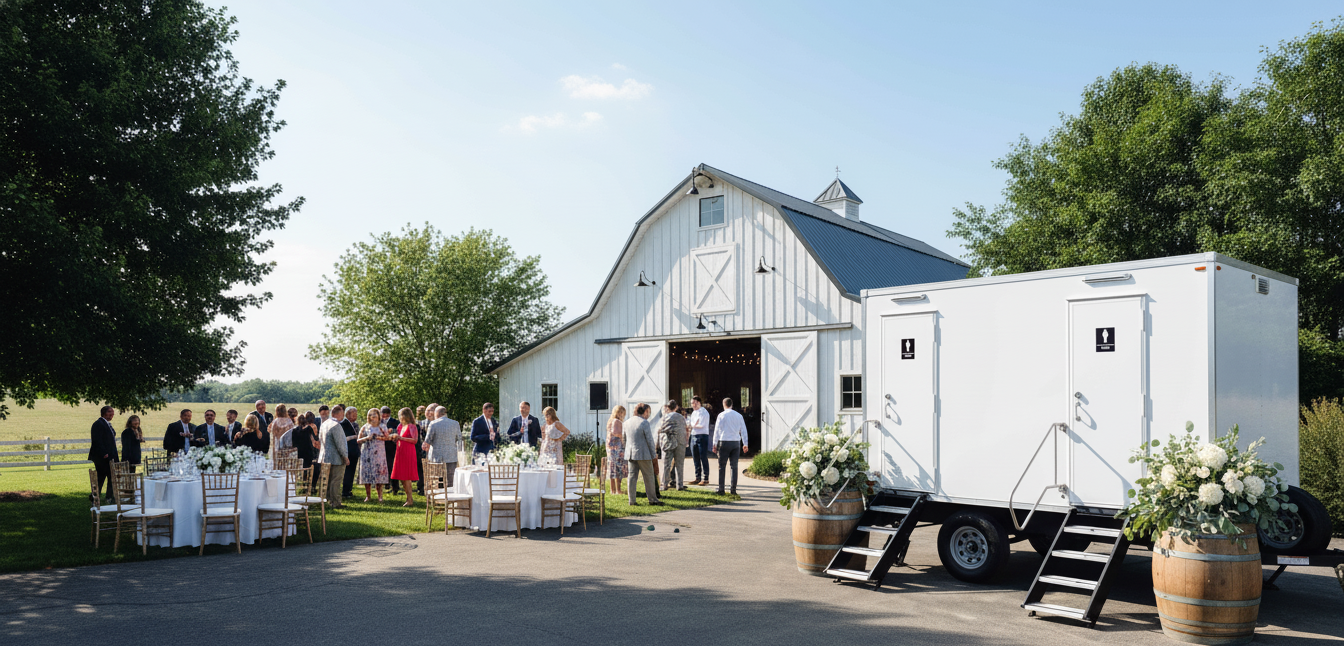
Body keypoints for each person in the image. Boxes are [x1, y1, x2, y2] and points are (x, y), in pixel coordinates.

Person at [624, 403, 661, 505]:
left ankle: (632, 500)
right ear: (644, 411)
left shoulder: (627, 422)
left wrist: (627, 451)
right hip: (643, 453)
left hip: (630, 453)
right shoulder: (644, 423)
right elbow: (649, 440)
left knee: (632, 477)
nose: (649, 414)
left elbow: (624, 439)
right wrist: (654, 455)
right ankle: (652, 499)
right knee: (649, 476)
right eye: (648, 411)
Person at [713, 397, 748, 495]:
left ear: (724, 404)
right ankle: (733, 490)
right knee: (734, 466)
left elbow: (717, 431)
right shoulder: (739, 416)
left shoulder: (721, 415)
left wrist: (714, 444)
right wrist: (745, 444)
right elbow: (743, 430)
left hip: (724, 441)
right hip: (736, 442)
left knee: (722, 466)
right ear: (731, 404)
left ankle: (721, 489)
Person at [318, 404, 348, 509]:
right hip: (336, 458)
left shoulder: (324, 424)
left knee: (328, 480)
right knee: (336, 480)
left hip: (324, 456)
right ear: (339, 414)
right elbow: (340, 443)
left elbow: (320, 439)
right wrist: (345, 456)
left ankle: (327, 500)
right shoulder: (336, 425)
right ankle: (336, 502)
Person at [358, 408, 390, 502]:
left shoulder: (383, 426)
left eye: (375, 415)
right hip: (367, 452)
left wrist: (379, 437)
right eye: (371, 415)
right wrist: (367, 438)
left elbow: (387, 438)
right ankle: (368, 495)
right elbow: (358, 440)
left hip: (379, 452)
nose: (373, 417)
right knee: (367, 472)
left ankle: (380, 496)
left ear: (378, 416)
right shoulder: (365, 427)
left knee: (379, 473)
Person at [88, 406, 118, 503]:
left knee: (111, 476)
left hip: (110, 456)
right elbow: (97, 440)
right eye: (110, 412)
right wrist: (104, 453)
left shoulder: (108, 424)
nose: (112, 414)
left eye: (113, 413)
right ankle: (94, 497)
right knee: (101, 477)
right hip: (102, 457)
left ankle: (109, 497)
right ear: (104, 413)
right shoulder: (98, 424)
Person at [423, 405, 462, 482]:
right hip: (451, 456)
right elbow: (459, 439)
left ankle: (441, 493)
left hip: (437, 457)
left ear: (437, 413)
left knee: (439, 480)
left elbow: (428, 440)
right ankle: (451, 493)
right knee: (451, 479)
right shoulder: (455, 423)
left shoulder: (433, 424)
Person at [389, 407, 419, 507]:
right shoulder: (400, 426)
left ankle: (410, 499)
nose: (399, 417)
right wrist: (394, 438)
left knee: (406, 476)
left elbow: (414, 440)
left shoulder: (412, 426)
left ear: (406, 416)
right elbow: (400, 438)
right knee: (401, 476)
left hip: (408, 451)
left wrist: (401, 438)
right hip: (400, 451)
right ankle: (408, 497)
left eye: (401, 415)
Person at [658, 400, 688, 491]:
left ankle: (664, 484)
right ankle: (680, 485)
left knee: (666, 464)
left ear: (667, 407)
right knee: (680, 465)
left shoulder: (665, 417)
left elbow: (661, 429)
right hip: (680, 443)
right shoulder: (681, 417)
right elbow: (685, 429)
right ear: (676, 407)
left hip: (669, 443)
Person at [604, 406, 628, 495]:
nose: (623, 415)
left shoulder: (610, 421)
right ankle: (618, 490)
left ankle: (612, 490)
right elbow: (616, 432)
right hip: (617, 449)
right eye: (622, 413)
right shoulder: (617, 421)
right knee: (618, 469)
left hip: (611, 449)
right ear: (619, 413)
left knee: (612, 469)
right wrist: (624, 436)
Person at [688, 396, 711, 486]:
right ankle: (697, 477)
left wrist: (693, 425)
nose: (692, 405)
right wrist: (694, 424)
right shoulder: (694, 413)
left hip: (702, 436)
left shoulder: (703, 412)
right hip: (694, 435)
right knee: (695, 457)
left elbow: (701, 425)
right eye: (691, 403)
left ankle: (705, 478)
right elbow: (692, 423)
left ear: (699, 403)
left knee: (703, 457)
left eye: (693, 403)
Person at [292, 411, 319, 483]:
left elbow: (293, 443)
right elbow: (313, 440)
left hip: (299, 451)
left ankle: (302, 481)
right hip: (308, 451)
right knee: (308, 467)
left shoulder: (294, 430)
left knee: (302, 467)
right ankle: (307, 483)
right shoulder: (309, 429)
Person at [341, 405, 362, 499]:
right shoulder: (344, 424)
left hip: (354, 451)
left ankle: (348, 490)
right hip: (347, 451)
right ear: (347, 414)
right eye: (354, 413)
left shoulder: (355, 424)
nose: (355, 415)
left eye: (356, 413)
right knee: (347, 472)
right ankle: (345, 491)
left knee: (352, 472)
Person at [380, 406, 399, 494]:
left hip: (391, 447)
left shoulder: (395, 422)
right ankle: (385, 483)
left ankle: (395, 486)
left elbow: (398, 432)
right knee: (383, 466)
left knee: (392, 466)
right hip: (380, 447)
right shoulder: (378, 422)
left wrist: (392, 431)